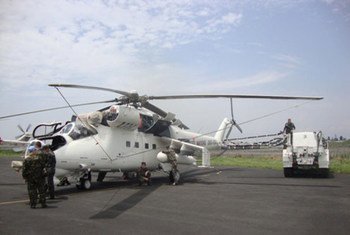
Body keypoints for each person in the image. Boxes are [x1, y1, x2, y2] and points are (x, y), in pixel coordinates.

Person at [22, 142, 47, 209]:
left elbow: (24, 170)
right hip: (40, 177)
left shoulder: (27, 159)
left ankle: (33, 205)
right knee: (41, 191)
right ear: (35, 150)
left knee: (32, 191)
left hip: (30, 178)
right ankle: (43, 204)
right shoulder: (40, 158)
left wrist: (24, 177)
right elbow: (43, 166)